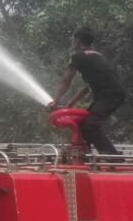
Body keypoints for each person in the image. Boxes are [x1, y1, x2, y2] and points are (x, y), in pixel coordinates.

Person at [48, 27, 126, 155]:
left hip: (109, 95)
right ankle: (84, 152)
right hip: (108, 95)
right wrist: (69, 105)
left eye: (73, 39)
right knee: (83, 122)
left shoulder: (78, 56)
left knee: (91, 125)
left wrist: (54, 102)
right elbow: (85, 88)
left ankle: (113, 158)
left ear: (77, 41)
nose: (72, 42)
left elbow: (65, 81)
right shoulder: (96, 55)